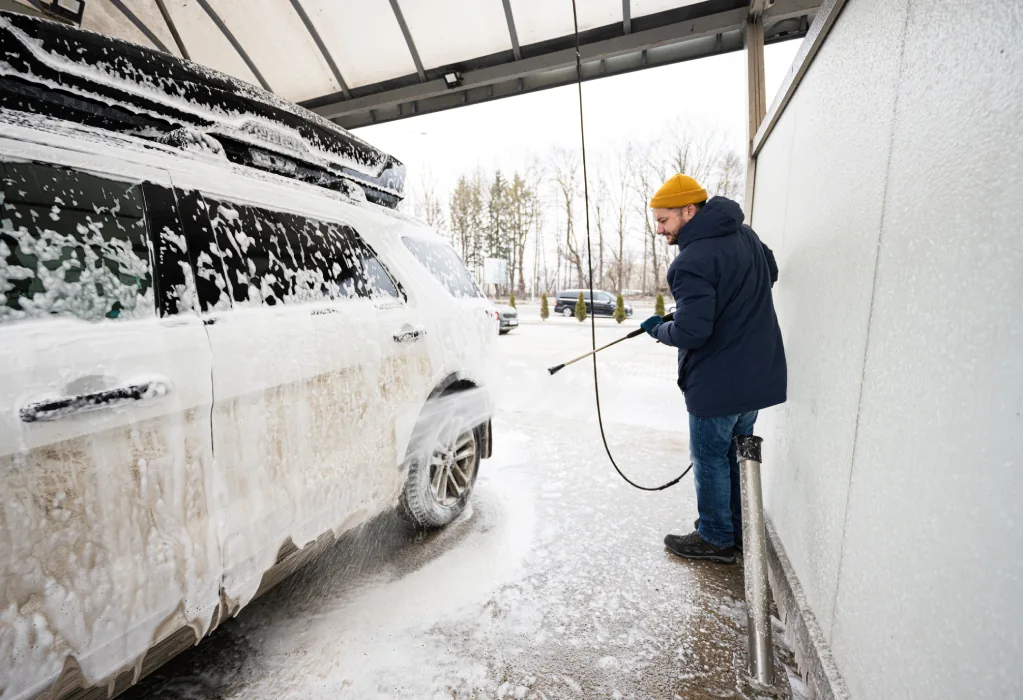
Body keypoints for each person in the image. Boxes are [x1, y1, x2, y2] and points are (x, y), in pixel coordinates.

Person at [639, 174, 786, 564]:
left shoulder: (690, 262)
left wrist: (659, 328)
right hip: (756, 375)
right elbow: (768, 273)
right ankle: (738, 532)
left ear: (689, 210)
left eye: (664, 220)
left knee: (709, 458)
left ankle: (716, 537)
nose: (659, 229)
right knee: (738, 455)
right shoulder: (746, 235)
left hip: (718, 382)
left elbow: (692, 331)